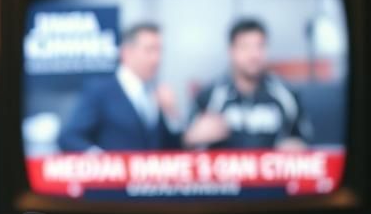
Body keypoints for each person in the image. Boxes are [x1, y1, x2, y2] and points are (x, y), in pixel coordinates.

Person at [184, 18, 311, 150]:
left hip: (272, 169)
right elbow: (184, 145)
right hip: (224, 169)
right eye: (245, 47)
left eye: (260, 46)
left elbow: (306, 140)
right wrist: (192, 138)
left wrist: (298, 146)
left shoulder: (286, 95)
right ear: (231, 51)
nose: (254, 54)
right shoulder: (209, 96)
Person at [57, 22, 180, 152]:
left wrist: (171, 114)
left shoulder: (156, 93)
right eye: (149, 50)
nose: (157, 58)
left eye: (159, 50)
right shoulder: (100, 90)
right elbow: (69, 137)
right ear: (126, 52)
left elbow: (167, 147)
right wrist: (102, 161)